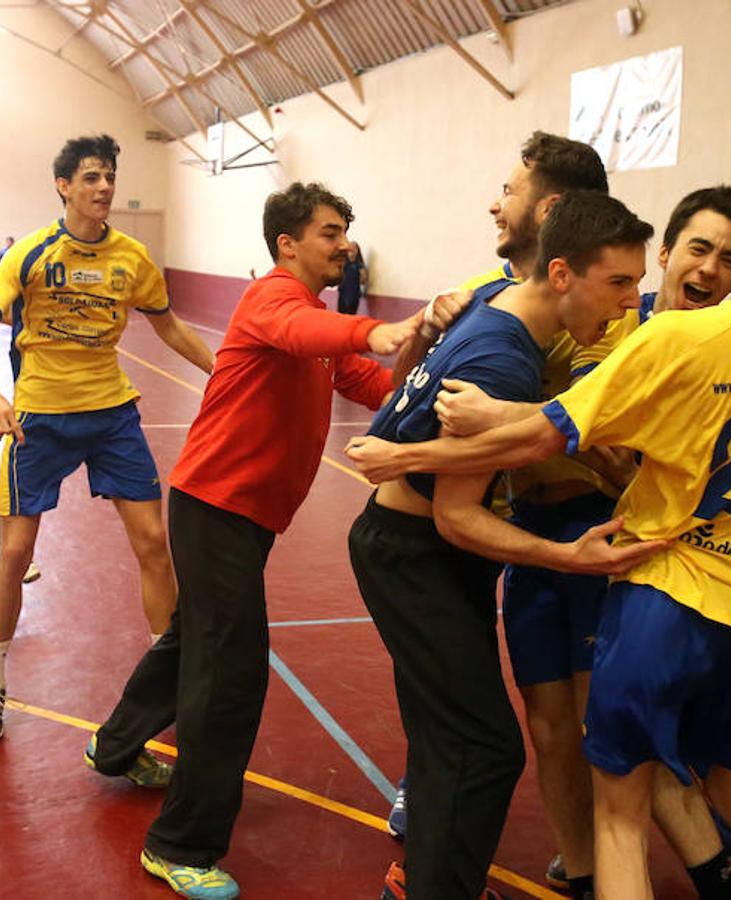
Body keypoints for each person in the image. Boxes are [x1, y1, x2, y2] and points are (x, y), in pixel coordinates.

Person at [347, 129, 731, 900]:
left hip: (655, 579)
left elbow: (545, 430)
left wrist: (405, 455)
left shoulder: (675, 342)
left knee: (621, 809)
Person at [83, 182, 428, 900]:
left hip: (241, 513)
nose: (343, 244)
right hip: (217, 508)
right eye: (330, 233)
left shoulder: (316, 316)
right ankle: (179, 844)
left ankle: (113, 744)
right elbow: (314, 338)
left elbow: (366, 380)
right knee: (230, 678)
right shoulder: (272, 299)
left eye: (344, 232)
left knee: (191, 641)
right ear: (287, 244)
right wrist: (376, 328)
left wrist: (430, 381)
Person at [353, 191, 666, 900]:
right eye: (617, 283)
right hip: (414, 553)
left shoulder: (493, 302)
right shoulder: (502, 360)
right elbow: (456, 519)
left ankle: (428, 884)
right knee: (484, 747)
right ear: (561, 274)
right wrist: (567, 556)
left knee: (446, 735)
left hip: (412, 545)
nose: (627, 303)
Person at [0, 134, 216, 741]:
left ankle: (167, 680)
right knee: (16, 553)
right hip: (39, 419)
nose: (104, 188)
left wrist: (222, 371)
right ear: (64, 185)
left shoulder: (132, 258)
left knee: (154, 541)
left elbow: (170, 326)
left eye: (109, 178)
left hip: (111, 415)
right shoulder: (31, 252)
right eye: (92, 178)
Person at [336, 240, 368, 314]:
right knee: (341, 314)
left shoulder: (360, 265)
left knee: (351, 314)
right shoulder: (343, 262)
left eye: (354, 248)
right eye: (350, 248)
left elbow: (363, 281)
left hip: (354, 294)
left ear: (357, 251)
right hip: (343, 292)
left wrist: (363, 276)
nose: (352, 251)